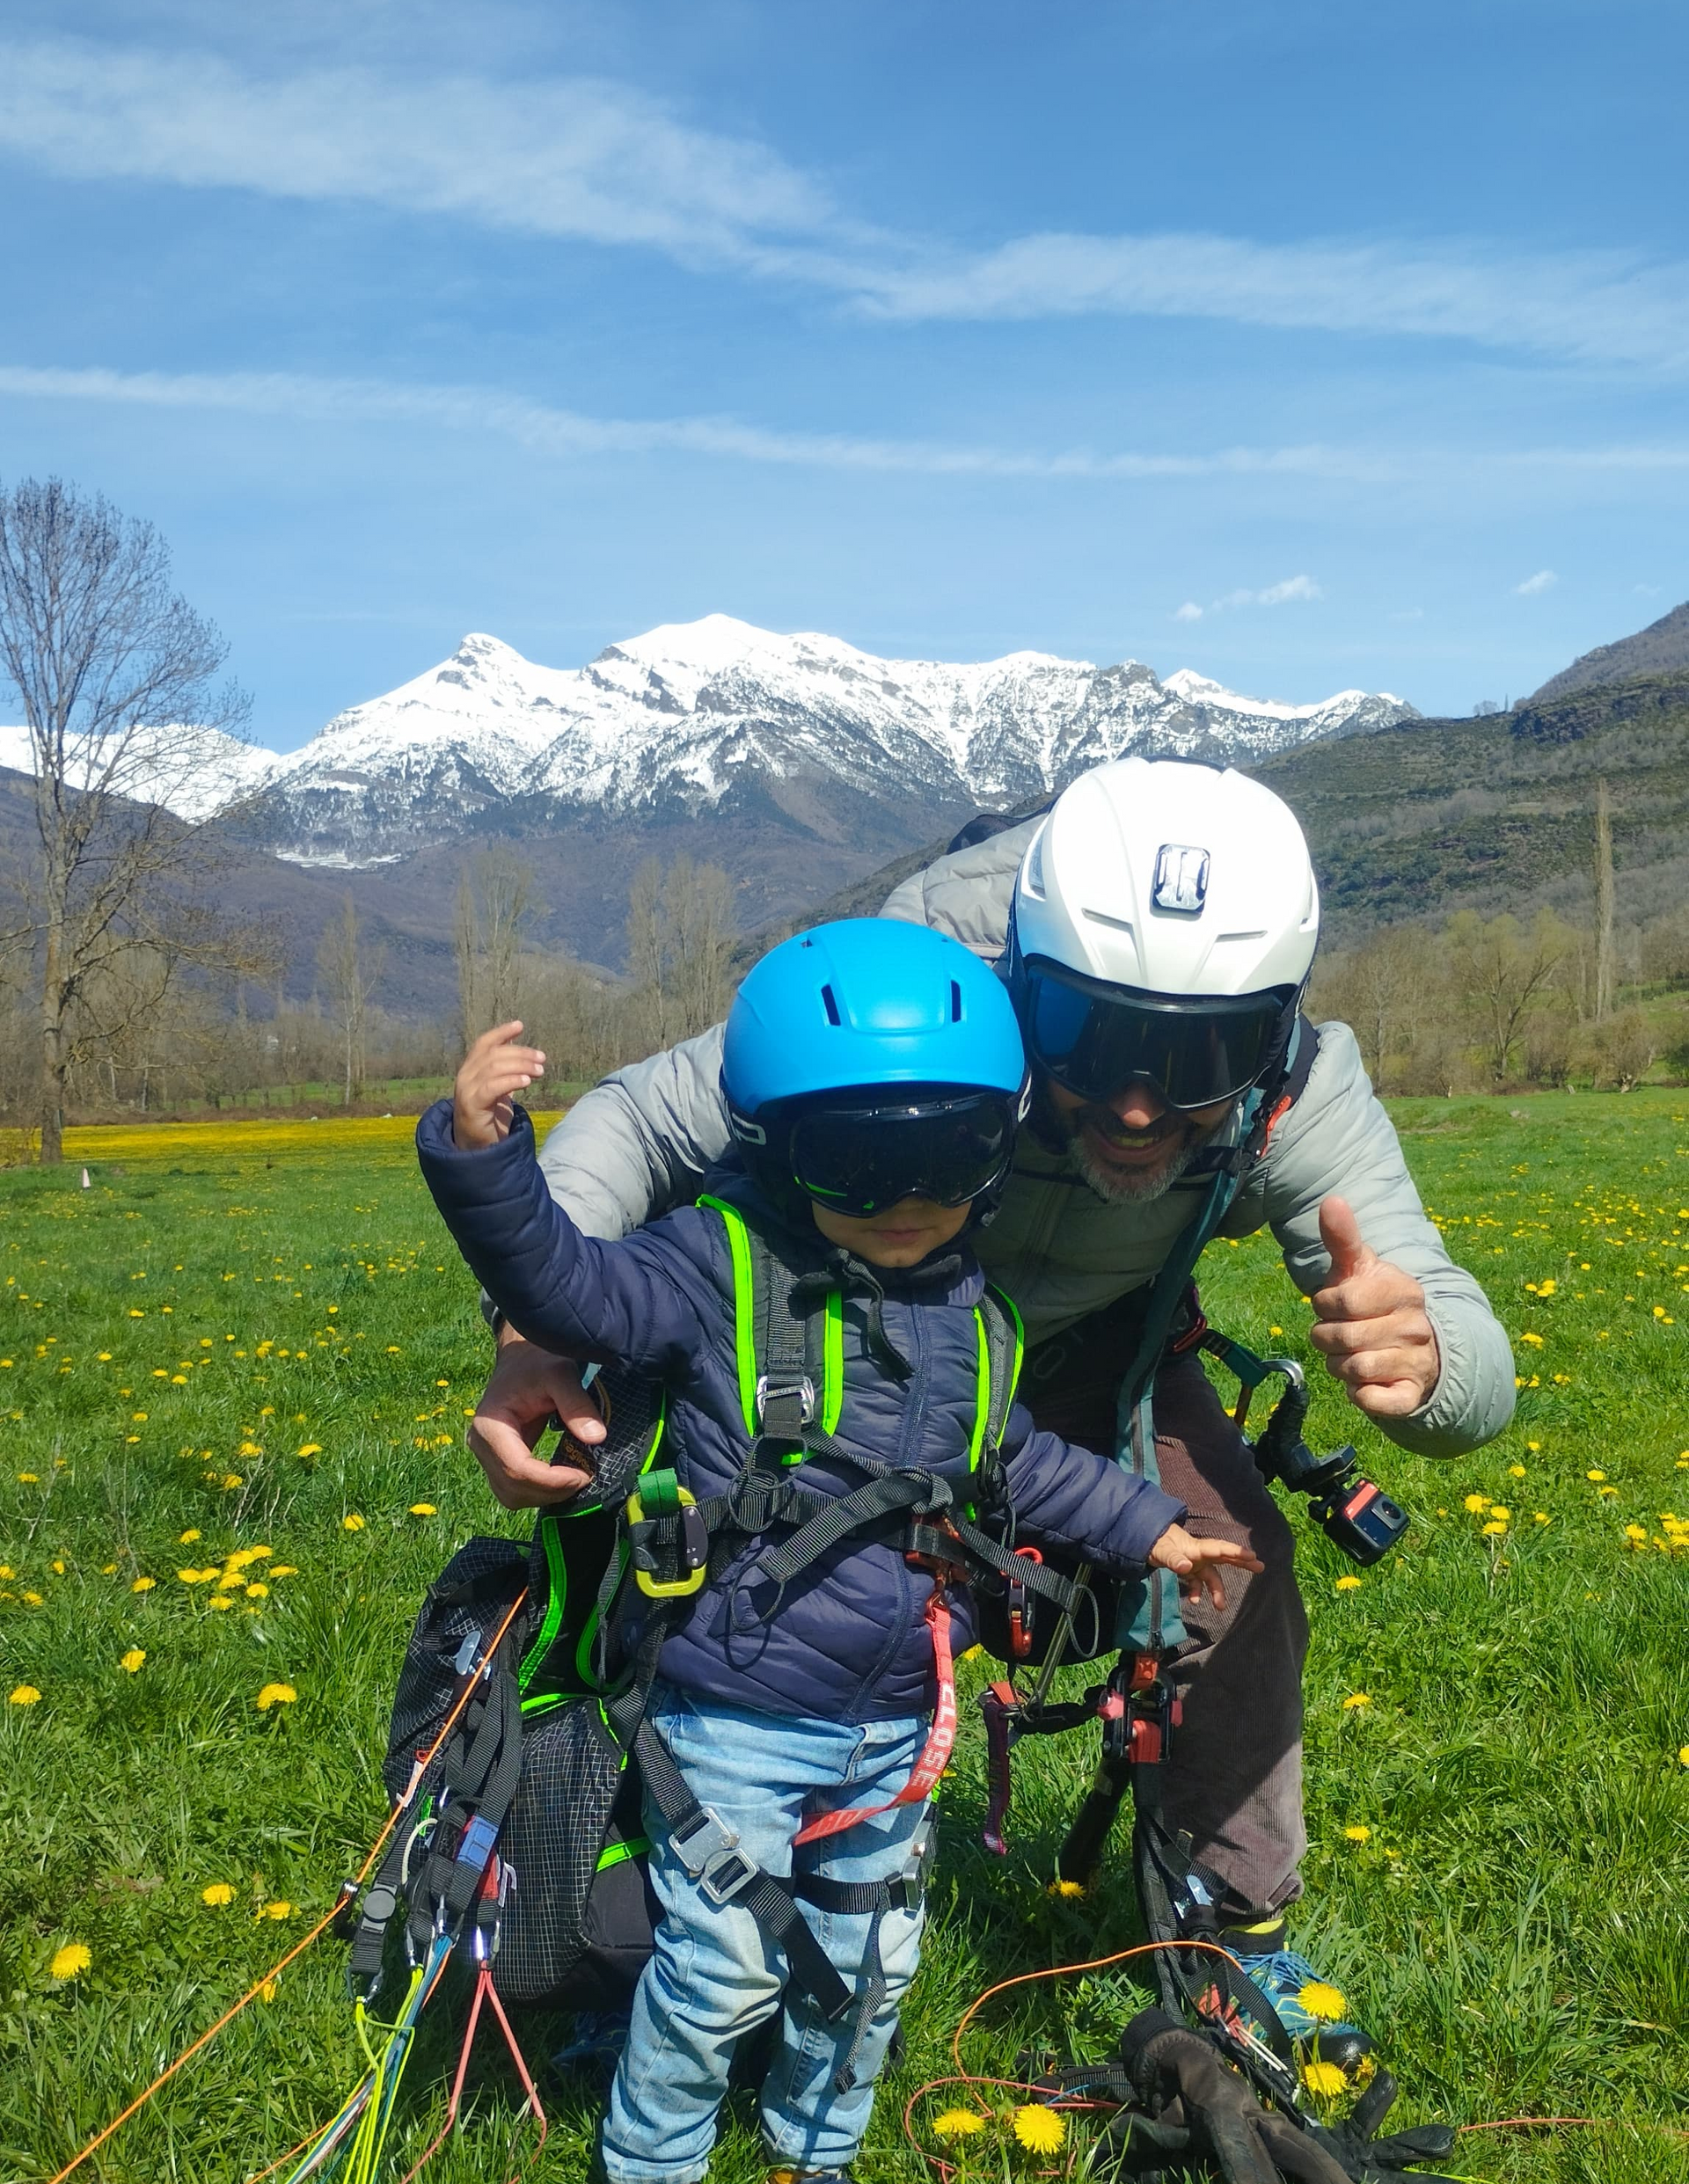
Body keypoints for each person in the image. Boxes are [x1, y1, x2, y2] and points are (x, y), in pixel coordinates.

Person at [463, 758, 1514, 2047]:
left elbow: (1457, 1332)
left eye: (1201, 1059)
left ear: (1275, 1025)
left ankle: (1237, 1935)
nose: (1138, 1104)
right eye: (1093, 1038)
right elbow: (639, 1121)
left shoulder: (1301, 1089)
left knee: (1237, 1570)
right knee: (693, 1557)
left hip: (1079, 1361)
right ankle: (628, 1884)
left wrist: (1427, 1367)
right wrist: (530, 1338)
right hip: (815, 1340)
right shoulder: (907, 983)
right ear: (1020, 983)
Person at [417, 920, 1261, 2184]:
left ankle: (818, 2159)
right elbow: (563, 1282)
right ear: (774, 1145)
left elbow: (1017, 1460)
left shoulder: (971, 1314)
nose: (905, 1199)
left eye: (944, 1162)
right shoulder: (707, 1266)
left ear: (994, 1152)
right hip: (738, 1720)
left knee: (866, 1969)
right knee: (722, 1973)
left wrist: (1155, 1525)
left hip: (896, 1724)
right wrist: (481, 1159)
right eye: (859, 1164)